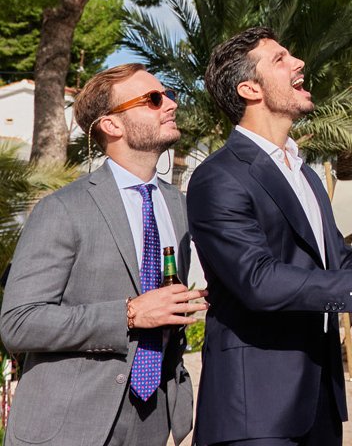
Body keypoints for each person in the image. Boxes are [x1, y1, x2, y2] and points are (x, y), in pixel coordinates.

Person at [186, 27, 352, 446]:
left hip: (320, 404)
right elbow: (258, 281)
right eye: (280, 58)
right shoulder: (218, 176)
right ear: (249, 88)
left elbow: (338, 262)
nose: (299, 63)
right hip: (255, 411)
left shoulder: (304, 173)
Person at [1, 64, 206, 446]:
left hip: (152, 418)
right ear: (112, 125)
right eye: (153, 99)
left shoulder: (179, 206)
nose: (170, 105)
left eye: (169, 94)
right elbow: (18, 322)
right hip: (68, 423)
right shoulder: (63, 208)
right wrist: (129, 313)